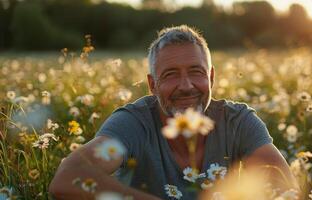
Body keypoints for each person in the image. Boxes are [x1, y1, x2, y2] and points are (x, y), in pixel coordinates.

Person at [49, 25, 297, 200]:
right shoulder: (133, 125)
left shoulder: (238, 122)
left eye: (196, 72)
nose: (186, 85)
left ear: (211, 78)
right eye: (170, 75)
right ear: (152, 84)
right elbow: (68, 178)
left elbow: (286, 187)